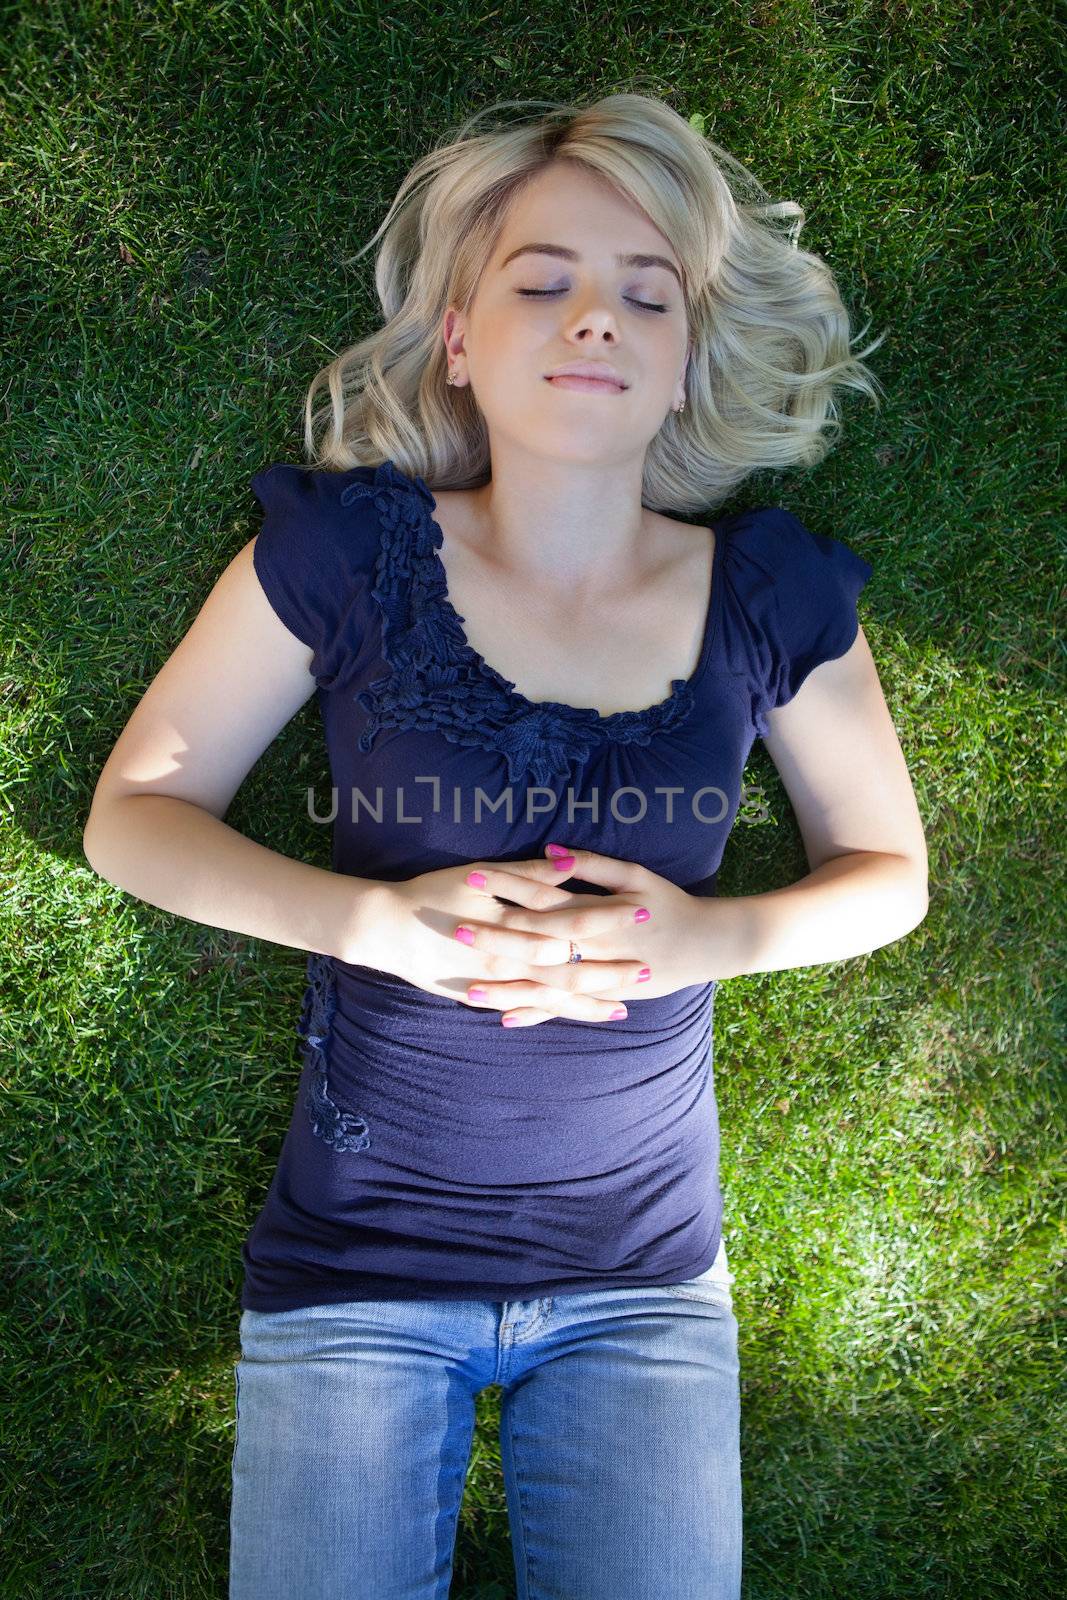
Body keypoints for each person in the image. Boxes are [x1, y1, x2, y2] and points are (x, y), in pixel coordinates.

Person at [81, 93, 928, 1600]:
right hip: (356, 1276)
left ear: (681, 365)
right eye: (543, 280)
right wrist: (373, 923)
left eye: (643, 293)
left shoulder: (768, 595)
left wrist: (709, 937)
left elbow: (890, 875)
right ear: (461, 340)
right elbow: (134, 818)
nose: (595, 316)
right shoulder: (352, 556)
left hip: (646, 1285)